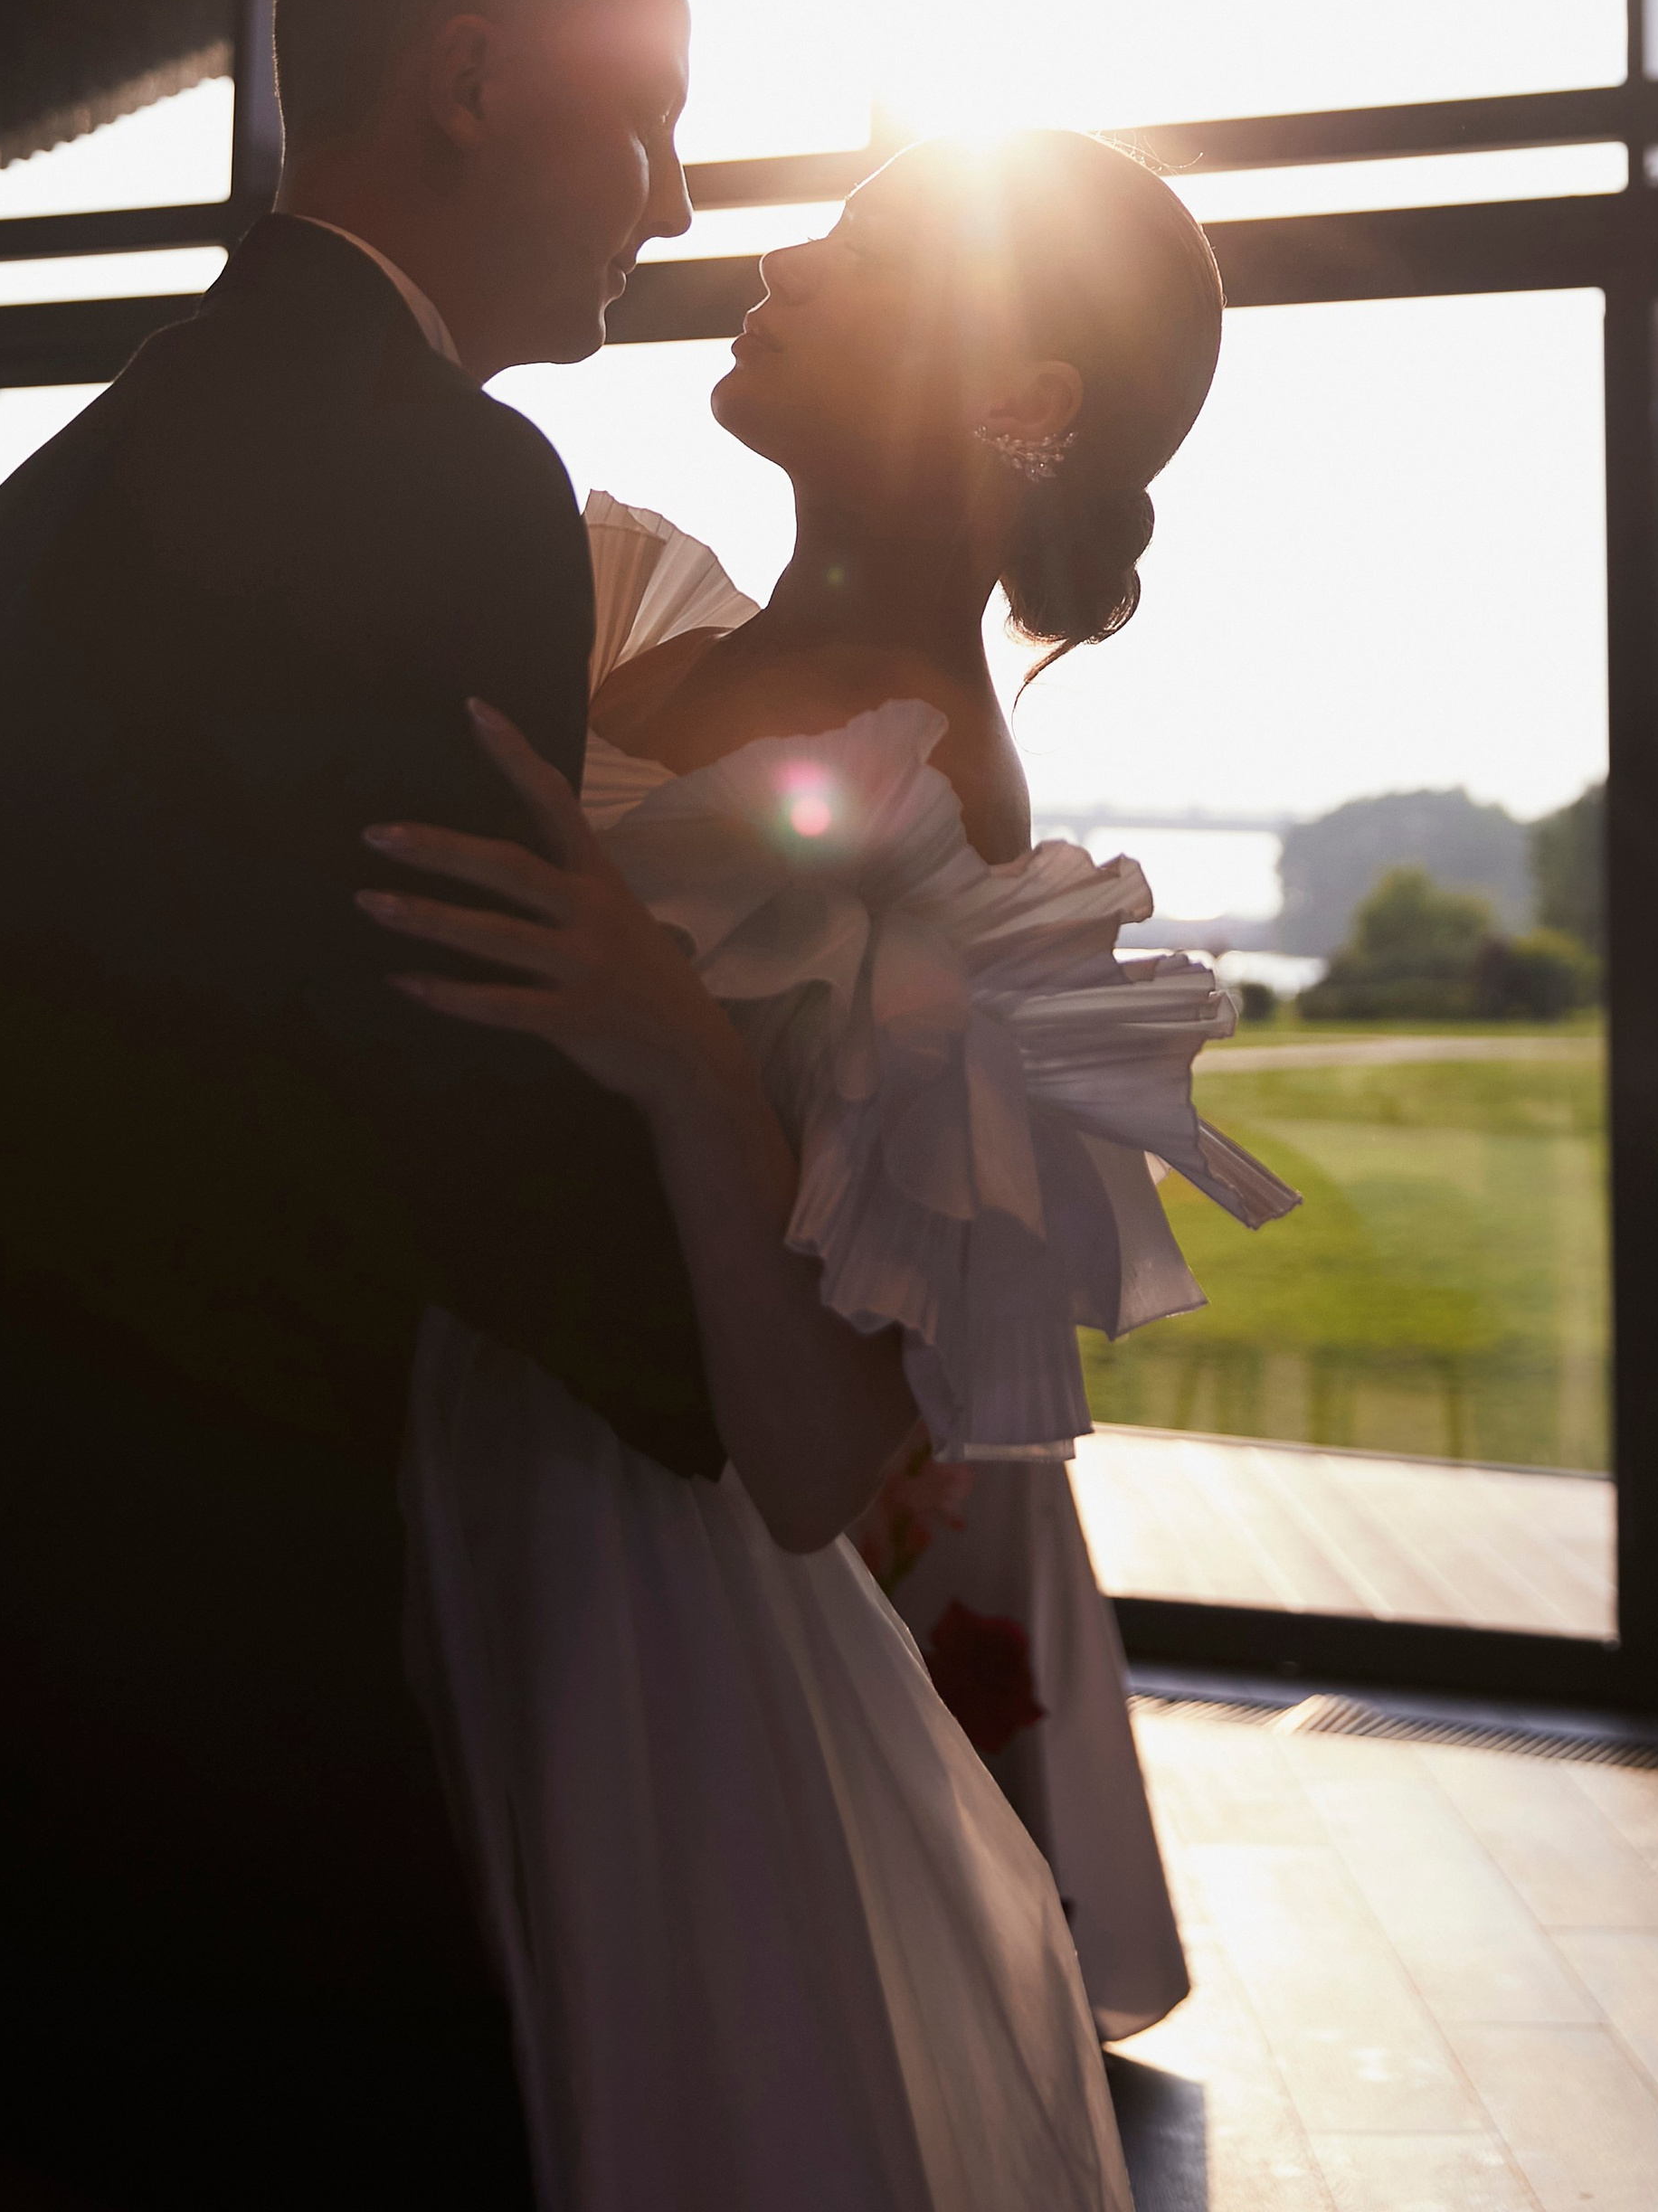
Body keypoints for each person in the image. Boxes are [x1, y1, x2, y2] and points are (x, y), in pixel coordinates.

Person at [0, 0, 725, 2203]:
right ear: (475, 81)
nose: (679, 198)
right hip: (138, 1742)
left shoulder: (74, 485)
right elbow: (460, 1086)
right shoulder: (443, 480)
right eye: (656, 120)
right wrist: (771, 1363)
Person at [364, 131, 1300, 2212]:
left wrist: (676, 1045)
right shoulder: (643, 626)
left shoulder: (933, 789)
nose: (780, 261)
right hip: (416, 1453)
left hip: (601, 1599)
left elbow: (813, 1459)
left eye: (865, 255)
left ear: (1023, 397)